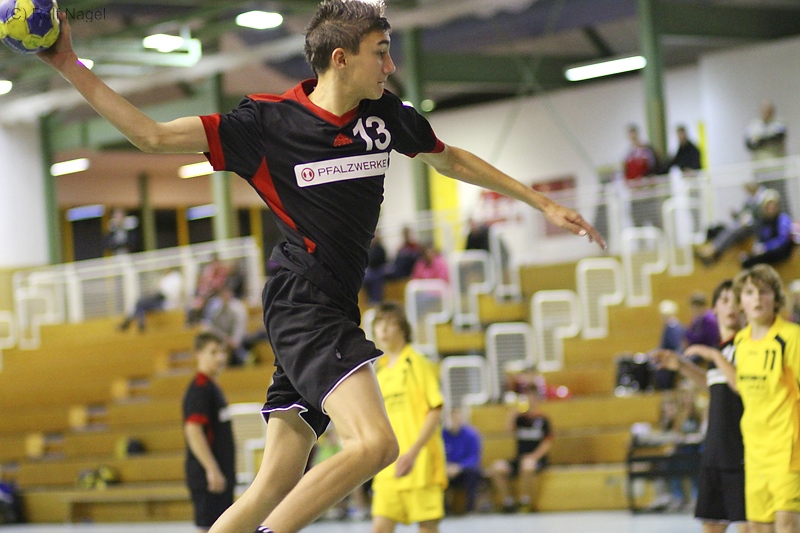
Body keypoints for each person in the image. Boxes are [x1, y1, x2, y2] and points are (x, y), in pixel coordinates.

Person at [38, 2, 604, 532]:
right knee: (377, 444)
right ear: (341, 59)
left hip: (332, 306)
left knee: (272, 484)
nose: (391, 66)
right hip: (301, 302)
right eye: (381, 52)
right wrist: (67, 62)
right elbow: (152, 135)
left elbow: (449, 158)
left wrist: (543, 203)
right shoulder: (266, 123)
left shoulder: (384, 116)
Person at [651, 279, 749, 532]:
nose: (732, 307)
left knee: (748, 526)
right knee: (711, 525)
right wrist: (682, 366)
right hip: (714, 451)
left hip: (741, 451)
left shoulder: (749, 345)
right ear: (714, 309)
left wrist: (713, 356)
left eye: (737, 301)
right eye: (725, 300)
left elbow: (741, 384)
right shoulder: (720, 350)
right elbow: (714, 384)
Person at [732, 264, 800, 532]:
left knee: (786, 523)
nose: (757, 299)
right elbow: (741, 387)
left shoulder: (791, 337)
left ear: (776, 299)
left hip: (788, 451)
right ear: (741, 302)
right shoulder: (740, 341)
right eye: (750, 292)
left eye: (764, 291)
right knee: (758, 526)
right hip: (754, 452)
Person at [371, 301, 447, 533]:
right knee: (379, 527)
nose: (383, 330)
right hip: (388, 467)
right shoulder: (379, 371)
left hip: (420, 463)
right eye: (379, 324)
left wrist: (413, 453)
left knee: (427, 527)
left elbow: (435, 410)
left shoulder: (418, 363)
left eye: (389, 324)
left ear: (403, 328)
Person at [183, 332, 236, 533]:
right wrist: (212, 469)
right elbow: (193, 430)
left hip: (222, 473)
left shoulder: (213, 387)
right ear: (198, 355)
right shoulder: (200, 388)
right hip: (208, 476)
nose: (220, 357)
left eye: (222, 352)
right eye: (213, 352)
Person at [489, 384, 553, 513]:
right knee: (497, 468)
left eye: (532, 397)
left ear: (537, 399)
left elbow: (547, 443)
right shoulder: (520, 418)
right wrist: (512, 415)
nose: (530, 400)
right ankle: (508, 502)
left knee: (527, 466)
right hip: (519, 458)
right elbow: (508, 431)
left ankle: (525, 501)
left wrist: (534, 457)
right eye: (528, 396)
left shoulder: (543, 419)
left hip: (536, 459)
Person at [696, 183, 767, 266]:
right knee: (729, 228)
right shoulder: (748, 199)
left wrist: (748, 222)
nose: (746, 190)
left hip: (756, 227)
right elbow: (743, 215)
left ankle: (713, 250)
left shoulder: (764, 196)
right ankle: (714, 250)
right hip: (744, 226)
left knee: (734, 230)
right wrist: (736, 215)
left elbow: (762, 217)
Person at [442, 407, 483, 515]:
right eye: (453, 418)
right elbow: (438, 455)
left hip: (464, 470)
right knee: (437, 474)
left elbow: (474, 457)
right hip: (447, 470)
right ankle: (444, 509)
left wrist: (459, 467)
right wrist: (446, 466)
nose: (456, 421)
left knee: (473, 473)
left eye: (458, 418)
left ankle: (470, 509)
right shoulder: (443, 435)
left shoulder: (471, 434)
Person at [740, 189, 794, 269]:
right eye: (768, 207)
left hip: (780, 251)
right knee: (746, 261)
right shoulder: (763, 221)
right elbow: (760, 238)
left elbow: (782, 239)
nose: (771, 209)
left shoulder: (783, 219)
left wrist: (766, 247)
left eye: (773, 207)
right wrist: (756, 249)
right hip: (766, 252)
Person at [119, 267, 184, 332]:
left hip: (163, 303)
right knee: (140, 305)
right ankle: (138, 322)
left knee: (139, 303)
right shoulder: (170, 278)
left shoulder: (173, 278)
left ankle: (132, 320)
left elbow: (165, 294)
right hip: (161, 301)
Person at [202, 285, 249, 366]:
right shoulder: (216, 310)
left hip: (238, 341)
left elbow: (240, 328)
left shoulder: (238, 308)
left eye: (227, 294)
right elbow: (212, 327)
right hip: (222, 340)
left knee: (239, 355)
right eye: (223, 295)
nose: (225, 297)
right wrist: (224, 339)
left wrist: (234, 340)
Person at [188, 254, 232, 325]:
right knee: (191, 307)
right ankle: (193, 325)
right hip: (205, 296)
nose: (215, 265)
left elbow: (220, 288)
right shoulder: (208, 272)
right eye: (213, 262)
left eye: (216, 262)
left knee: (214, 307)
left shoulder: (223, 273)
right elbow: (202, 287)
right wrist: (202, 296)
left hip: (217, 297)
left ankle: (208, 324)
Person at [653, 299, 686, 390]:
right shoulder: (671, 326)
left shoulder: (673, 328)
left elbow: (676, 347)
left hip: (671, 358)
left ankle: (665, 390)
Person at [362, 232, 388, 305]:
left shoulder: (380, 249)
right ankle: (368, 299)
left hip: (379, 269)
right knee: (364, 277)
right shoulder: (369, 248)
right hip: (371, 269)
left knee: (376, 278)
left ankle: (376, 299)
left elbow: (379, 260)